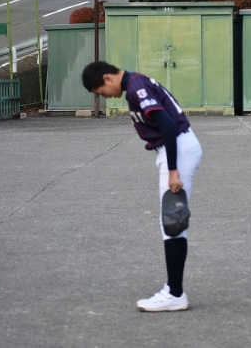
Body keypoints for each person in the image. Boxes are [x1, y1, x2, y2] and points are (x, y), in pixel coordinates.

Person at [81, 61, 203, 312]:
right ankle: (174, 291)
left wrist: (173, 170)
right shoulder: (136, 84)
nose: (104, 97)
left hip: (177, 149)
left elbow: (167, 124)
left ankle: (175, 294)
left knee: (172, 221)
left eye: (100, 92)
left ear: (107, 78)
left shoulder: (137, 87)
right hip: (177, 148)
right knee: (171, 220)